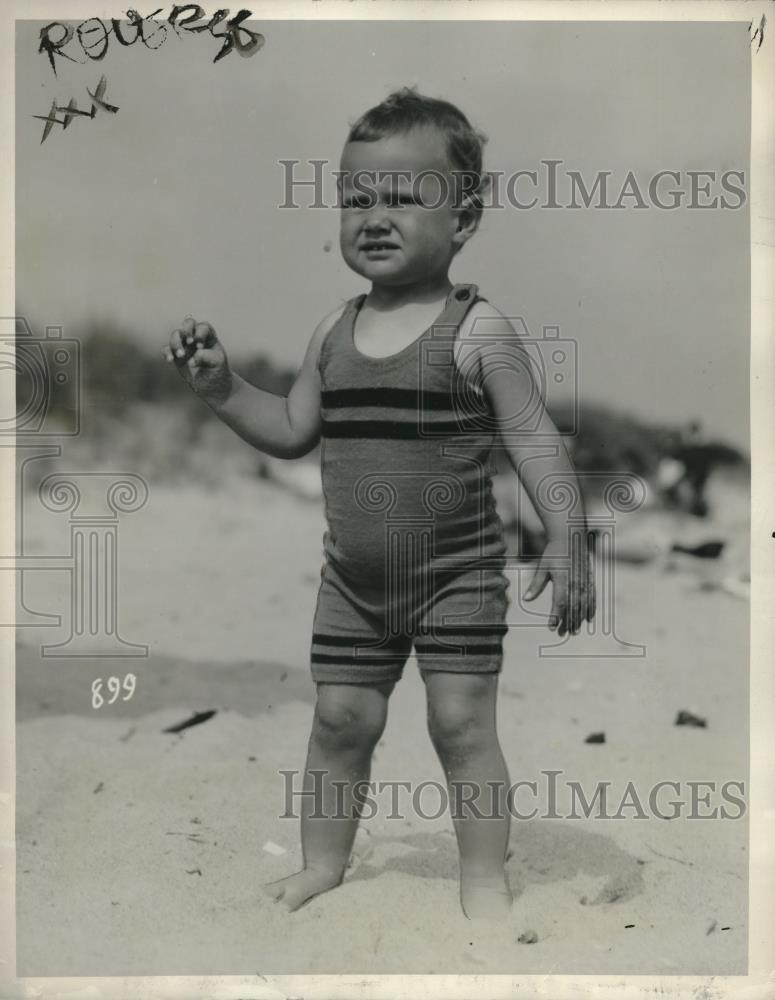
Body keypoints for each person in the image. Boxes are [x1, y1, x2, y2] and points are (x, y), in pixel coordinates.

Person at [164, 88, 595, 921]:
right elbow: (292, 431)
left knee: (460, 726)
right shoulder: (334, 330)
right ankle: (321, 864)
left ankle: (481, 879)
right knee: (337, 723)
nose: (374, 216)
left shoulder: (478, 331)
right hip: (353, 585)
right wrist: (221, 388)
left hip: (454, 577)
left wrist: (566, 538)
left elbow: (536, 441)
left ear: (463, 221)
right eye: (356, 197)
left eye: (402, 199)